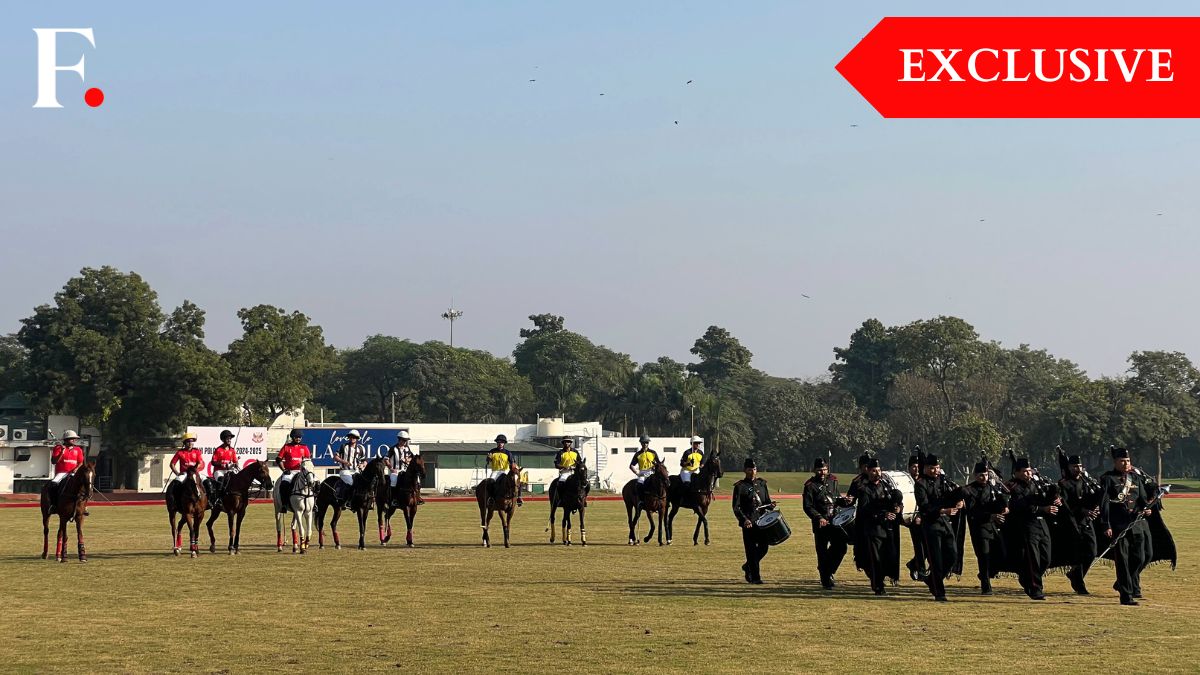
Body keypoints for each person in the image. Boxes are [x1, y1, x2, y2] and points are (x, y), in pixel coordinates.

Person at [1099, 447, 1153, 606]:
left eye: (1128, 461)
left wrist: (1147, 509)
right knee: (1122, 561)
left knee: (1140, 558)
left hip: (1136, 524)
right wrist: (1106, 524)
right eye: (1122, 461)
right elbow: (1104, 505)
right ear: (1115, 462)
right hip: (1118, 525)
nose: (1126, 463)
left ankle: (1121, 583)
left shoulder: (1135, 478)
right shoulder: (1107, 479)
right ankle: (1126, 596)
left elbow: (1142, 499)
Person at [1007, 457, 1059, 600]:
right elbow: (1020, 506)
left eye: (1029, 471)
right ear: (1017, 473)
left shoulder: (1037, 483)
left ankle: (1026, 577)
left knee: (1046, 558)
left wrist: (1055, 498)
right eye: (1025, 471)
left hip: (1042, 524)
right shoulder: (1012, 487)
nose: (1028, 474)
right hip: (1027, 524)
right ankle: (1035, 588)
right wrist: (1044, 509)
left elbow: (1045, 497)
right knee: (1033, 558)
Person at [914, 454, 962, 602]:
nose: (935, 470)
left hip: (946, 523)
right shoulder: (920, 484)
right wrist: (942, 511)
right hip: (931, 524)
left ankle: (932, 580)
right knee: (936, 560)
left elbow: (951, 494)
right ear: (926, 468)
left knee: (952, 555)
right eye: (932, 468)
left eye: (937, 467)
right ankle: (939, 592)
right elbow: (925, 506)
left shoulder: (944, 480)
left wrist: (959, 500)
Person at [849, 458, 900, 595]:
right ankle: (878, 586)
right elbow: (866, 510)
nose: (877, 473)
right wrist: (883, 515)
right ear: (868, 472)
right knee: (875, 559)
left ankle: (880, 581)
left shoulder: (886, 486)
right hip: (872, 529)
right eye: (873, 471)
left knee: (886, 557)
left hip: (886, 529)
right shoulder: (864, 489)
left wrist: (897, 508)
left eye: (878, 470)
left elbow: (892, 501)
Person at [961, 459, 1008, 595]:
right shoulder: (969, 490)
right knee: (983, 557)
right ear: (975, 475)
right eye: (981, 475)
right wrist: (991, 516)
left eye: (986, 475)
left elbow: (1000, 501)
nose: (984, 477)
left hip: (993, 527)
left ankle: (985, 575)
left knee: (1002, 554)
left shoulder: (992, 488)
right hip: (979, 528)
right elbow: (973, 512)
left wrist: (1004, 507)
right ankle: (986, 587)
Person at [1058, 451, 1100, 595]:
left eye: (1080, 466)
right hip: (1072, 523)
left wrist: (1095, 508)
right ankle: (1079, 582)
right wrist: (1083, 511)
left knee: (1092, 551)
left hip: (1087, 522)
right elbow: (1065, 505)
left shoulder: (1086, 481)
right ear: (1069, 467)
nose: (1078, 469)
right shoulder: (1064, 484)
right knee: (1078, 554)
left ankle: (1076, 574)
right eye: (1075, 466)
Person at [802, 457, 847, 590]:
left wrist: (845, 501)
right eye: (820, 470)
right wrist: (818, 518)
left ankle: (828, 570)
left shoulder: (833, 481)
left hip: (835, 521)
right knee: (822, 552)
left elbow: (836, 499)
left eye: (825, 469)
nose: (822, 472)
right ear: (814, 470)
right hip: (820, 523)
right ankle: (825, 580)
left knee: (841, 547)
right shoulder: (810, 485)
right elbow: (808, 506)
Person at [732, 457, 773, 584]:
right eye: (750, 469)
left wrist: (771, 505)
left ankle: (748, 566)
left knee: (764, 548)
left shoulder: (762, 484)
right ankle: (756, 578)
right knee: (750, 551)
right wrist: (744, 520)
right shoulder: (740, 486)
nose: (753, 472)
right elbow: (736, 507)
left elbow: (767, 502)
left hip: (761, 522)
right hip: (748, 523)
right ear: (745, 470)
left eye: (754, 469)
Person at [48, 430, 87, 511]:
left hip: (74, 473)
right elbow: (54, 462)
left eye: (75, 438)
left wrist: (76, 469)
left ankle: (84, 506)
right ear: (66, 440)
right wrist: (61, 452)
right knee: (53, 484)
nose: (74, 440)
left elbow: (80, 462)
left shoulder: (78, 449)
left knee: (84, 485)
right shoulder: (58, 448)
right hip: (62, 473)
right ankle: (53, 505)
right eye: (72, 438)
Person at [904, 453, 927, 581]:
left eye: (918, 466)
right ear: (909, 468)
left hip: (926, 516)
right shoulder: (907, 482)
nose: (916, 469)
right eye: (913, 466)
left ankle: (913, 564)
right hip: (913, 519)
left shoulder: (924, 480)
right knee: (919, 546)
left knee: (928, 547)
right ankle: (921, 570)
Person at [275, 429, 311, 512]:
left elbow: (308, 460)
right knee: (284, 484)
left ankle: (314, 504)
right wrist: (284, 470)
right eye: (296, 437)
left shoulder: (304, 447)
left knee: (314, 483)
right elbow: (278, 459)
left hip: (301, 472)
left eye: (300, 437)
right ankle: (284, 504)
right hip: (290, 472)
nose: (298, 439)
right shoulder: (286, 447)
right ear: (292, 437)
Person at [387, 431, 423, 506]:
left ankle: (418, 497)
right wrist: (391, 468)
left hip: (406, 471)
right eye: (404, 440)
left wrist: (407, 460)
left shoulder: (407, 448)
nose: (405, 442)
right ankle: (394, 499)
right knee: (394, 480)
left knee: (417, 480)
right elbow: (386, 459)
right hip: (396, 471)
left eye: (406, 440)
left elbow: (412, 457)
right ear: (399, 439)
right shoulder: (393, 449)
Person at [485, 434, 521, 506]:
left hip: (505, 471)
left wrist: (514, 468)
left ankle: (519, 498)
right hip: (495, 471)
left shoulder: (508, 453)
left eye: (501, 442)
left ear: (504, 443)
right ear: (497, 443)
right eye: (498, 442)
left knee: (516, 481)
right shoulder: (492, 451)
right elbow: (488, 460)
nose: (500, 444)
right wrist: (488, 458)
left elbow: (512, 462)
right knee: (490, 482)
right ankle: (491, 498)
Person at [208, 429, 240, 507]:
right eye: (227, 438)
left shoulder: (232, 450)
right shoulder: (218, 450)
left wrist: (236, 464)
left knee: (238, 479)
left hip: (229, 471)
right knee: (221, 480)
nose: (229, 440)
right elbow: (213, 462)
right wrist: (223, 464)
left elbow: (236, 461)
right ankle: (217, 499)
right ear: (223, 439)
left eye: (230, 438)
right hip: (219, 471)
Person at [333, 430, 366, 503]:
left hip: (356, 471)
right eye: (351, 437)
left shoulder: (361, 448)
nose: (352, 438)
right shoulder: (344, 446)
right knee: (352, 483)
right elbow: (335, 457)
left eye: (354, 437)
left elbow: (364, 460)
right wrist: (344, 462)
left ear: (357, 438)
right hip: (345, 471)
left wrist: (362, 464)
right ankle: (348, 500)